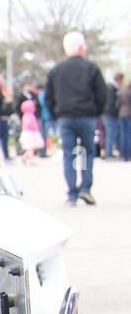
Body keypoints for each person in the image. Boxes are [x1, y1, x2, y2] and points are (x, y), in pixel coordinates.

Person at [45, 31, 108, 205]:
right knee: (87, 153)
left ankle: (72, 193)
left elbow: (48, 97)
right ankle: (85, 188)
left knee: (69, 154)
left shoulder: (57, 70)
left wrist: (55, 113)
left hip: (65, 117)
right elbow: (102, 94)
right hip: (87, 116)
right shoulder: (91, 68)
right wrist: (96, 111)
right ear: (81, 47)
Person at [18, 98, 44, 163]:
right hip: (29, 133)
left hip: (29, 132)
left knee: (30, 148)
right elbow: (28, 124)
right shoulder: (29, 115)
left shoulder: (27, 115)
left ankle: (24, 158)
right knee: (30, 147)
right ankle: (31, 159)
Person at [104, 72, 123, 158]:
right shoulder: (111, 88)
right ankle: (108, 153)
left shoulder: (111, 88)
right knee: (110, 134)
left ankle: (109, 152)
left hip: (109, 114)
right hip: (110, 114)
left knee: (111, 134)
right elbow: (112, 103)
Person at [120, 77, 131, 162]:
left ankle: (123, 155)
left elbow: (117, 103)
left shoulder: (122, 92)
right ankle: (128, 154)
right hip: (129, 114)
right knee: (128, 135)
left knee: (123, 135)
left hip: (121, 114)